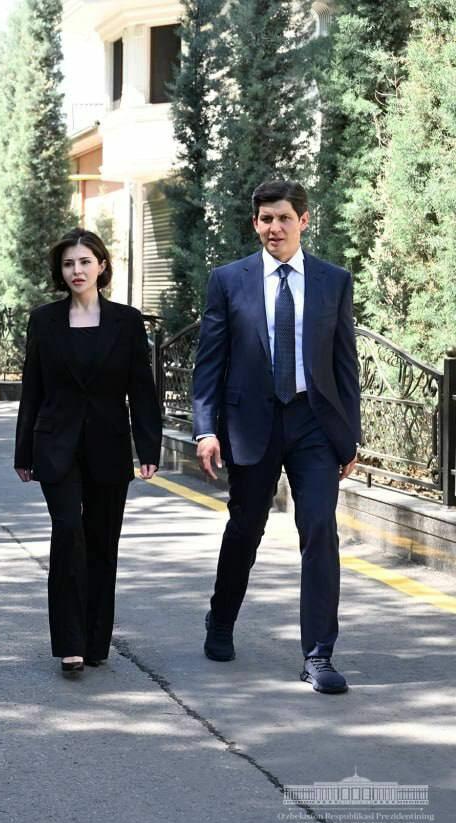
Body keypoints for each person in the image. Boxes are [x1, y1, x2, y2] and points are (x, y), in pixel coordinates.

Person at [192, 180, 360, 694]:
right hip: (250, 424)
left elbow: (345, 363)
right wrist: (205, 429)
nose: (275, 228)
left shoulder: (333, 281)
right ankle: (221, 620)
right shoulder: (229, 280)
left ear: (304, 221)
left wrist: (349, 436)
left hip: (313, 424)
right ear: (255, 223)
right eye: (266, 219)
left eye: (284, 218)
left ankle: (318, 655)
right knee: (246, 527)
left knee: (319, 529)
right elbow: (209, 362)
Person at [14, 229, 161, 676]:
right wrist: (23, 451)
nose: (76, 271)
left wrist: (148, 446)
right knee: (68, 531)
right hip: (55, 445)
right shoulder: (44, 320)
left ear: (101, 265)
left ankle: (96, 640)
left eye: (84, 262)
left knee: (102, 540)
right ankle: (70, 643)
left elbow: (142, 388)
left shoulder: (126, 321)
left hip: (109, 445)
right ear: (59, 272)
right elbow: (32, 388)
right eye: (68, 264)